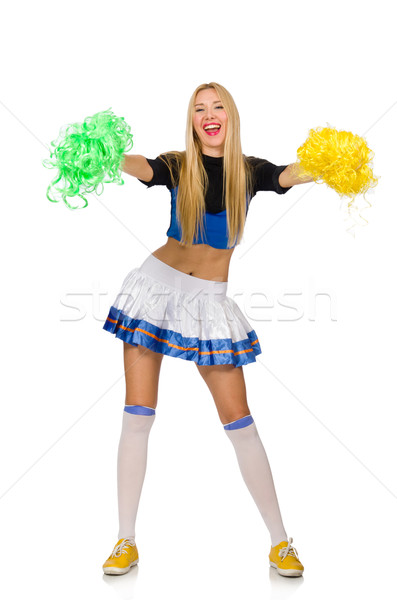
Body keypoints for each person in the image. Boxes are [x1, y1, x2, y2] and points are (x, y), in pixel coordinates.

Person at [102, 82, 312, 578]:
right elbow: (141, 168)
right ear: (192, 120)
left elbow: (290, 174)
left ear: (230, 115)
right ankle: (124, 540)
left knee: (240, 422)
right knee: (138, 414)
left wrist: (332, 163)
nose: (209, 114)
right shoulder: (178, 164)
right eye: (200, 109)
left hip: (208, 304)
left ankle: (280, 541)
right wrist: (108, 155)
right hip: (154, 290)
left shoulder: (249, 170)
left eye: (217, 106)